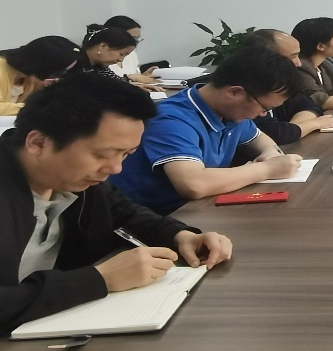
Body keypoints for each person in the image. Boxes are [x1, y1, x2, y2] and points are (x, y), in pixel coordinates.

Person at [0, 75, 233, 335]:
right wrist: (99, 279)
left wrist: (182, 236)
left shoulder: (73, 180)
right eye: (102, 155)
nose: (115, 168)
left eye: (126, 154)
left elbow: (124, 212)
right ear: (38, 143)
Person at [109, 47, 304, 215]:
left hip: (197, 210)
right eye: (264, 107)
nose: (263, 115)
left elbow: (261, 140)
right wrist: (267, 169)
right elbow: (193, 185)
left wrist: (270, 154)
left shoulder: (231, 112)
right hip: (151, 219)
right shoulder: (172, 119)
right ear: (234, 92)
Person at [243, 29, 333, 144]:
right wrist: (314, 124)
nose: (299, 63)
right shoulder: (247, 90)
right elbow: (273, 133)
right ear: (268, 58)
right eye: (293, 56)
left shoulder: (281, 81)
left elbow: (310, 105)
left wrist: (292, 130)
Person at [0, 36, 80, 116]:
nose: (60, 76)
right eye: (61, 71)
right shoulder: (2, 69)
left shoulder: (28, 78)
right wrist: (38, 107)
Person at [70, 25, 138, 83]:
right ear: (103, 46)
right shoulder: (72, 64)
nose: (121, 60)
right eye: (121, 54)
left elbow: (117, 83)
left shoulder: (100, 68)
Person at [105, 15, 159, 84]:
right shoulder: (102, 58)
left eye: (137, 39)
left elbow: (134, 77)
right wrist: (131, 77)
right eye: (133, 39)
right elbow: (105, 83)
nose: (135, 43)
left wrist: (143, 76)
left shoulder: (132, 54)